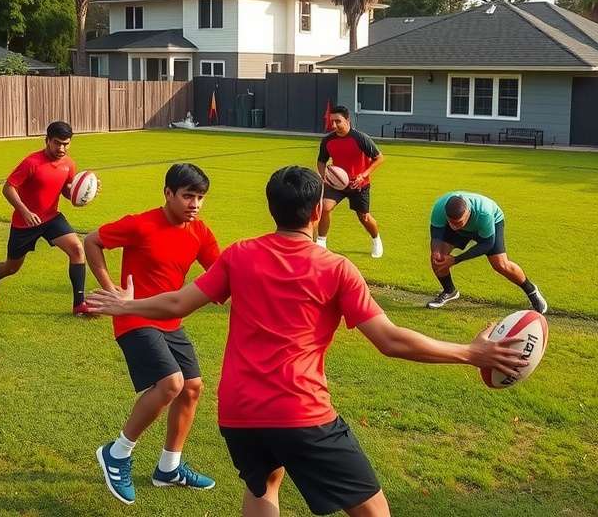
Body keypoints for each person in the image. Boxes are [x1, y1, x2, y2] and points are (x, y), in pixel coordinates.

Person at [86, 166, 528, 517]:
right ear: (318, 210)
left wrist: (125, 305)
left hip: (239, 414)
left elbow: (179, 303)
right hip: (300, 412)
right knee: (373, 508)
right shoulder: (336, 269)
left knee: (265, 484)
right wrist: (471, 353)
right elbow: (390, 341)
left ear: (271, 207)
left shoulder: (240, 255)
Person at [84, 163, 220, 505]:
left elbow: (220, 274)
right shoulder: (141, 224)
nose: (195, 204)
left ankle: (168, 468)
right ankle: (117, 452)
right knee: (170, 383)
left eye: (200, 197)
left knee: (191, 388)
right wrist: (111, 290)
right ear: (168, 194)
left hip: (169, 320)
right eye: (188, 196)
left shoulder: (200, 233)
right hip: (134, 317)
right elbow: (92, 240)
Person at [0, 120, 95, 315]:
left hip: (51, 219)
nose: (61, 148)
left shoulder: (69, 164)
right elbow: (8, 188)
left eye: (66, 143)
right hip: (25, 224)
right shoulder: (31, 163)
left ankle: (79, 305)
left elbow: (67, 192)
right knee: (11, 268)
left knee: (77, 249)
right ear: (47, 141)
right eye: (57, 143)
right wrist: (24, 211)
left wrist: (82, 196)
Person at [426, 191, 548, 313]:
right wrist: (436, 251)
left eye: (459, 222)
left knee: (500, 264)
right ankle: (449, 291)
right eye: (451, 222)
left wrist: (455, 260)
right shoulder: (439, 208)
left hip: (491, 223)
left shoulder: (484, 213)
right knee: (437, 259)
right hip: (467, 224)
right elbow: (436, 234)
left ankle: (531, 290)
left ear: (468, 213)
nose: (455, 226)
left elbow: (487, 244)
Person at [316, 106, 385, 258]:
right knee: (325, 208)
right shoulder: (328, 140)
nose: (334, 125)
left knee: (364, 217)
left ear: (347, 120)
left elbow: (379, 158)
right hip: (337, 184)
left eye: (338, 121)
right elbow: (321, 161)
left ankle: (376, 240)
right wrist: (324, 177)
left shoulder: (360, 138)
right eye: (331, 121)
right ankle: (320, 243)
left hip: (359, 185)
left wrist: (363, 175)